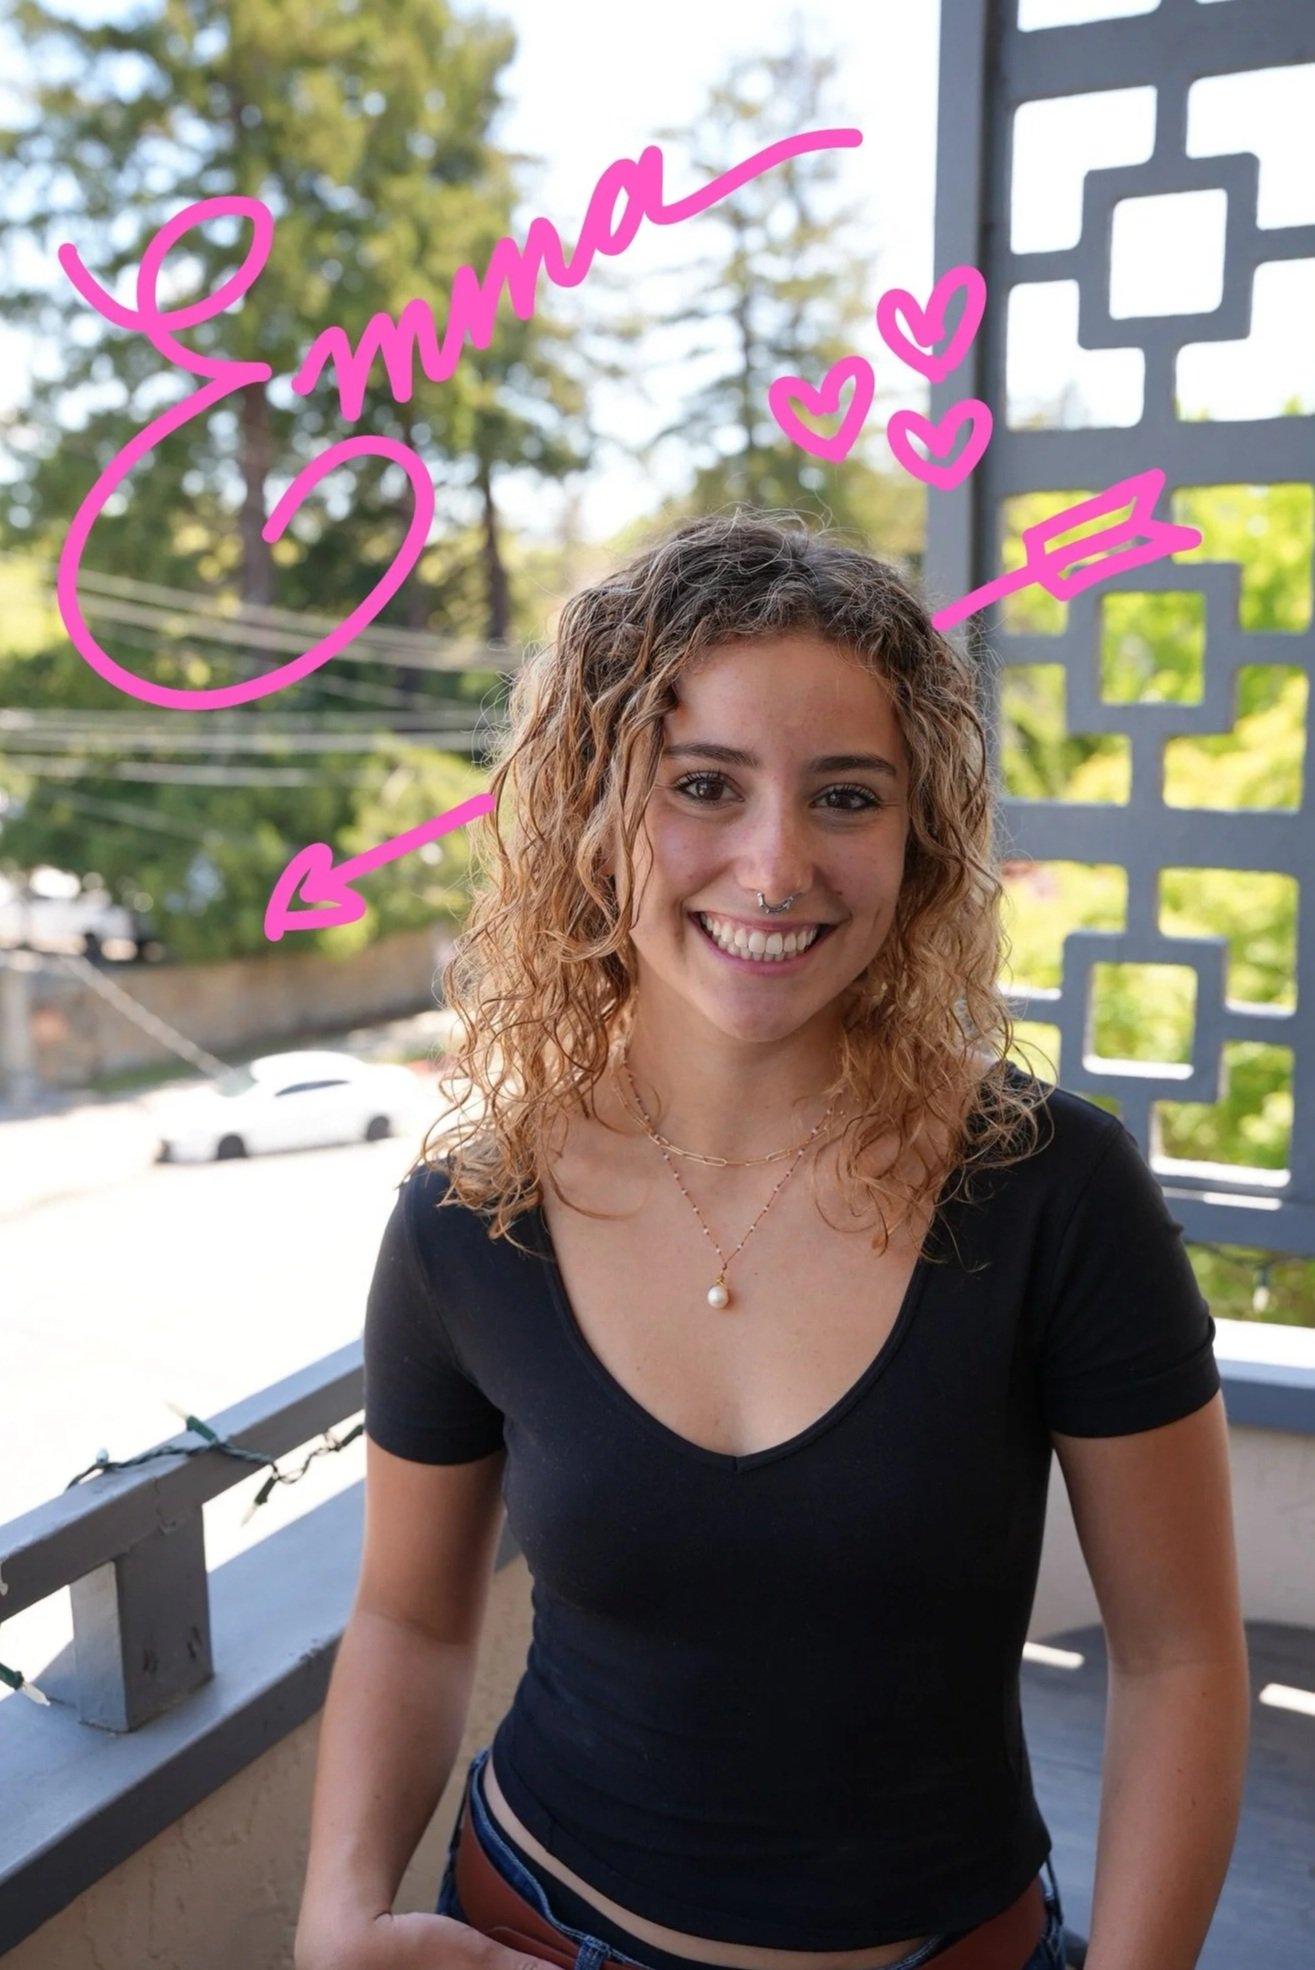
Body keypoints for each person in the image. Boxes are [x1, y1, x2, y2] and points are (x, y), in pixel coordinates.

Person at [293, 513, 1250, 1970]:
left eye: (847, 796)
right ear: (592, 813)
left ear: (918, 838)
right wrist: (336, 1915)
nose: (775, 861)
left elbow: (1180, 1656)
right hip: (531, 1925)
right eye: (703, 785)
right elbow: (412, 1620)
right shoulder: (469, 1218)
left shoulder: (1058, 1191)